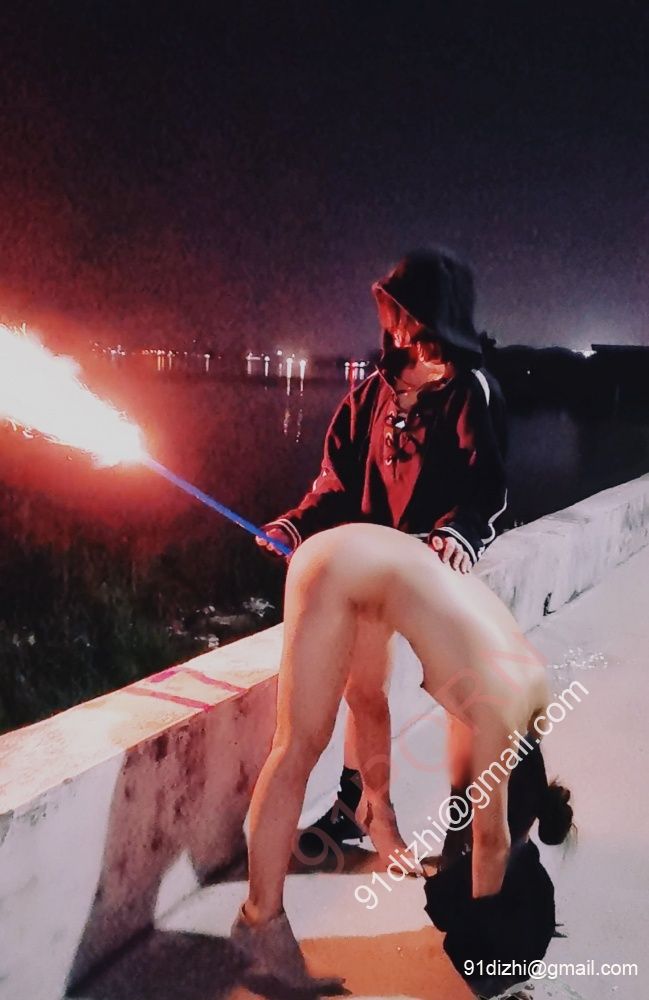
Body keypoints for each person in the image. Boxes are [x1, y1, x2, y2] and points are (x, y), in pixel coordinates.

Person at [257, 248, 509, 853]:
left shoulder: (471, 391)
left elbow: (490, 488)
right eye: (396, 318)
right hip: (368, 569)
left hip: (432, 573)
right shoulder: (369, 396)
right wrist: (295, 526)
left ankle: (465, 840)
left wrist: (458, 533)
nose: (401, 332)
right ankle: (364, 811)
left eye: (412, 319)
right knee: (364, 692)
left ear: (438, 319)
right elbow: (336, 485)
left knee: (464, 705)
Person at [232, 522, 554, 993]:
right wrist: (486, 955)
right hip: (335, 567)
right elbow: (492, 842)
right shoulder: (499, 722)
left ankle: (375, 817)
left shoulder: (534, 696)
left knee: (368, 698)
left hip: (375, 556)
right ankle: (258, 923)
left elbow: (476, 798)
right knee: (298, 745)